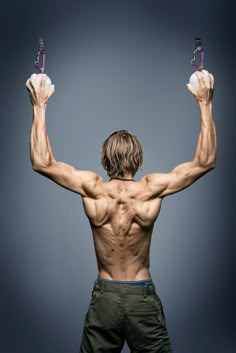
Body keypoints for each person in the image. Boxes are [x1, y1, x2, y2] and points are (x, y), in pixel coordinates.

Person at [26, 70, 216, 353]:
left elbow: (42, 162)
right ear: (138, 161)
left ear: (104, 159)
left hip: (106, 297)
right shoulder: (151, 188)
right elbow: (205, 162)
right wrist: (205, 102)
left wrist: (39, 105)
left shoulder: (93, 188)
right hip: (142, 297)